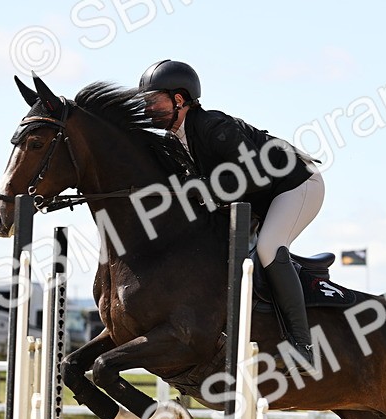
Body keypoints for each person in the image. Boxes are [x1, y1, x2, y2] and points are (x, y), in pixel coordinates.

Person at [139, 59, 325, 359]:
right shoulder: (174, 141)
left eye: (153, 101)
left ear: (179, 99)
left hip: (298, 184)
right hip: (262, 196)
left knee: (268, 247)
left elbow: (255, 174)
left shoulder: (214, 126)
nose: (147, 110)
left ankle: (302, 345)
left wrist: (203, 185)